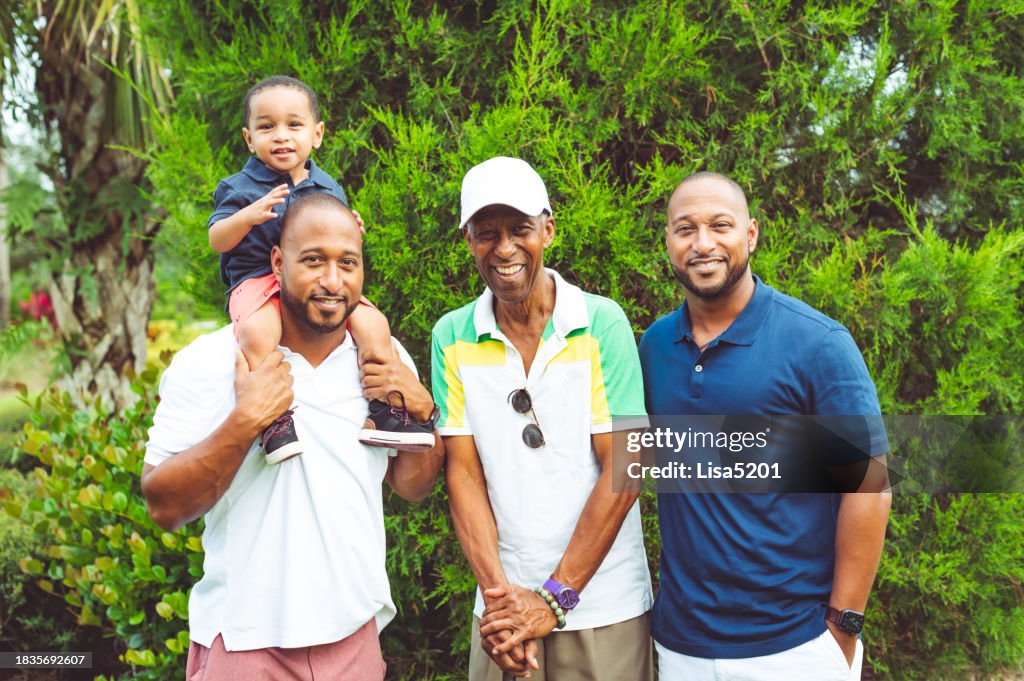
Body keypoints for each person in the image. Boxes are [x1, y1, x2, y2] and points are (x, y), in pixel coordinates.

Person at [141, 193, 445, 680]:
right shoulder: (211, 362)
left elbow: (414, 487)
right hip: (243, 644)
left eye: (348, 263)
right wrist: (246, 421)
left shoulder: (385, 359)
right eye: (313, 261)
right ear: (278, 263)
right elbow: (163, 506)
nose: (332, 280)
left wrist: (423, 413)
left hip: (353, 641)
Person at [638, 171, 892, 680]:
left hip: (793, 645)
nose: (703, 243)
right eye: (685, 229)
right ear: (668, 242)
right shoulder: (654, 347)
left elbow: (868, 487)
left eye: (720, 225)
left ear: (750, 234)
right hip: (681, 644)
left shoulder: (817, 343)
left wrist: (844, 627)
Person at [432, 156, 653, 680]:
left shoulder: (602, 323)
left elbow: (627, 469)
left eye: (520, 230)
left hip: (605, 607)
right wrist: (500, 603)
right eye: (486, 233)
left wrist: (553, 600)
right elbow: (463, 473)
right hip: (504, 614)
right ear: (468, 240)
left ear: (548, 230)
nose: (504, 248)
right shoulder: (452, 335)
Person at [208, 75, 432, 463]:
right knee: (260, 333)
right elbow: (217, 239)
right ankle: (274, 420)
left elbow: (336, 233)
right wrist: (247, 217)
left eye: (293, 125)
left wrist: (351, 228)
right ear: (249, 139)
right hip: (256, 280)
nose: (281, 136)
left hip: (313, 283)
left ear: (317, 134)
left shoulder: (327, 188)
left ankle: (384, 411)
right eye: (267, 127)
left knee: (374, 325)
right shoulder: (240, 187)